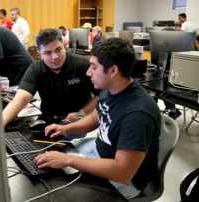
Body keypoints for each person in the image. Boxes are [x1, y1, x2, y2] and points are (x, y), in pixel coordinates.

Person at [34, 38, 161, 199]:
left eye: (93, 67)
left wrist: (68, 160)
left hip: (123, 180)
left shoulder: (138, 113)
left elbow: (122, 173)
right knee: (46, 170)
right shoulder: (110, 88)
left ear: (113, 71)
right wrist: (66, 128)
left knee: (57, 192)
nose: (88, 73)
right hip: (97, 152)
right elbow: (95, 118)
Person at [2, 29, 100, 140]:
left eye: (58, 50)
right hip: (47, 118)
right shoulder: (35, 70)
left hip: (76, 119)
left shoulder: (82, 64)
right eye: (47, 53)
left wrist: (80, 114)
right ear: (40, 54)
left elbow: (100, 95)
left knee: (60, 148)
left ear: (64, 46)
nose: (55, 57)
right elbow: (20, 99)